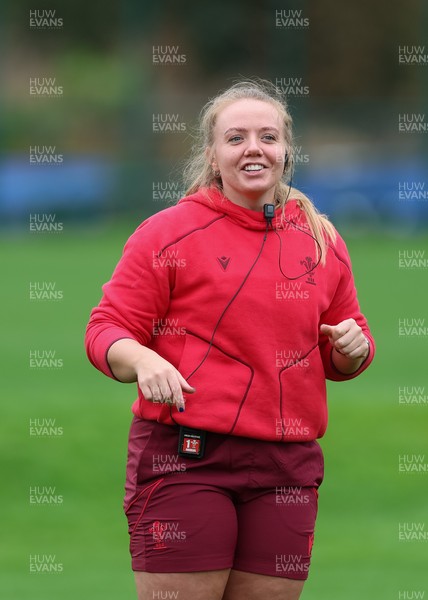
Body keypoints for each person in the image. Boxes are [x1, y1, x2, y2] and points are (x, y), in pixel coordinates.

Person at [85, 79, 375, 600]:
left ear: (286, 152)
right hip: (187, 457)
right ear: (213, 156)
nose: (253, 148)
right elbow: (105, 329)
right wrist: (144, 359)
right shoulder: (166, 233)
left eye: (268, 136)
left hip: (288, 465)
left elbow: (347, 345)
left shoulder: (321, 238)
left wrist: (354, 350)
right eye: (236, 137)